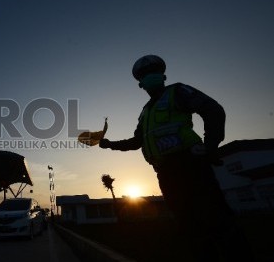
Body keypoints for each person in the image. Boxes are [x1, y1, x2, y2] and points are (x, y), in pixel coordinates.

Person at [99, 55, 253, 261]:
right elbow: (136, 142)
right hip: (166, 173)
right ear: (140, 84)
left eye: (153, 73)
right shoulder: (145, 113)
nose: (150, 78)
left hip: (191, 165)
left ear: (163, 76)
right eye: (145, 76)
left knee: (217, 220)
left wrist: (210, 145)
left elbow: (213, 110)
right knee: (189, 226)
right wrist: (110, 144)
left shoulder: (178, 92)